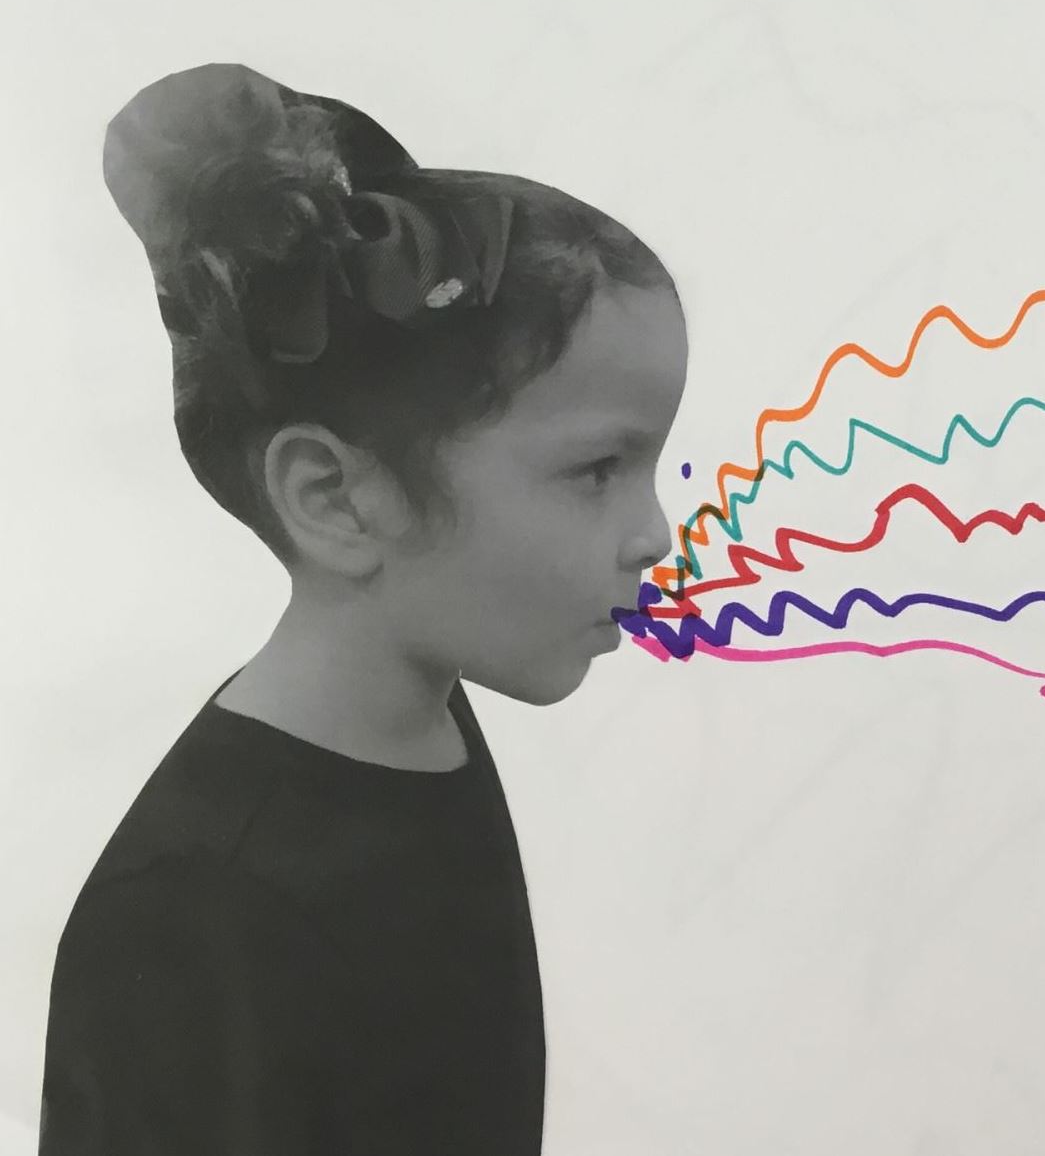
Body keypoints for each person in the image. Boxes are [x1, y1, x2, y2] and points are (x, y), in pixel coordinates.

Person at [38, 61, 690, 1154]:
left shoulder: (431, 727)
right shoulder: (196, 907)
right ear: (337, 498)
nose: (654, 533)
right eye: (597, 471)